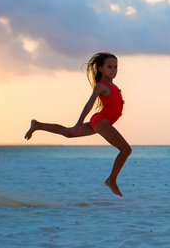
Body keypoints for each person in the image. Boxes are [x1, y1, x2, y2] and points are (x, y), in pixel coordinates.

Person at [24, 52, 131, 197]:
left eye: (115, 67)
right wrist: (79, 123)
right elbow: (89, 104)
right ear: (100, 69)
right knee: (126, 150)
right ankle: (111, 180)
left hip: (100, 120)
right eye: (110, 67)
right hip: (102, 122)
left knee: (67, 133)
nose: (113, 69)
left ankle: (37, 125)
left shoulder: (112, 85)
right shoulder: (101, 86)